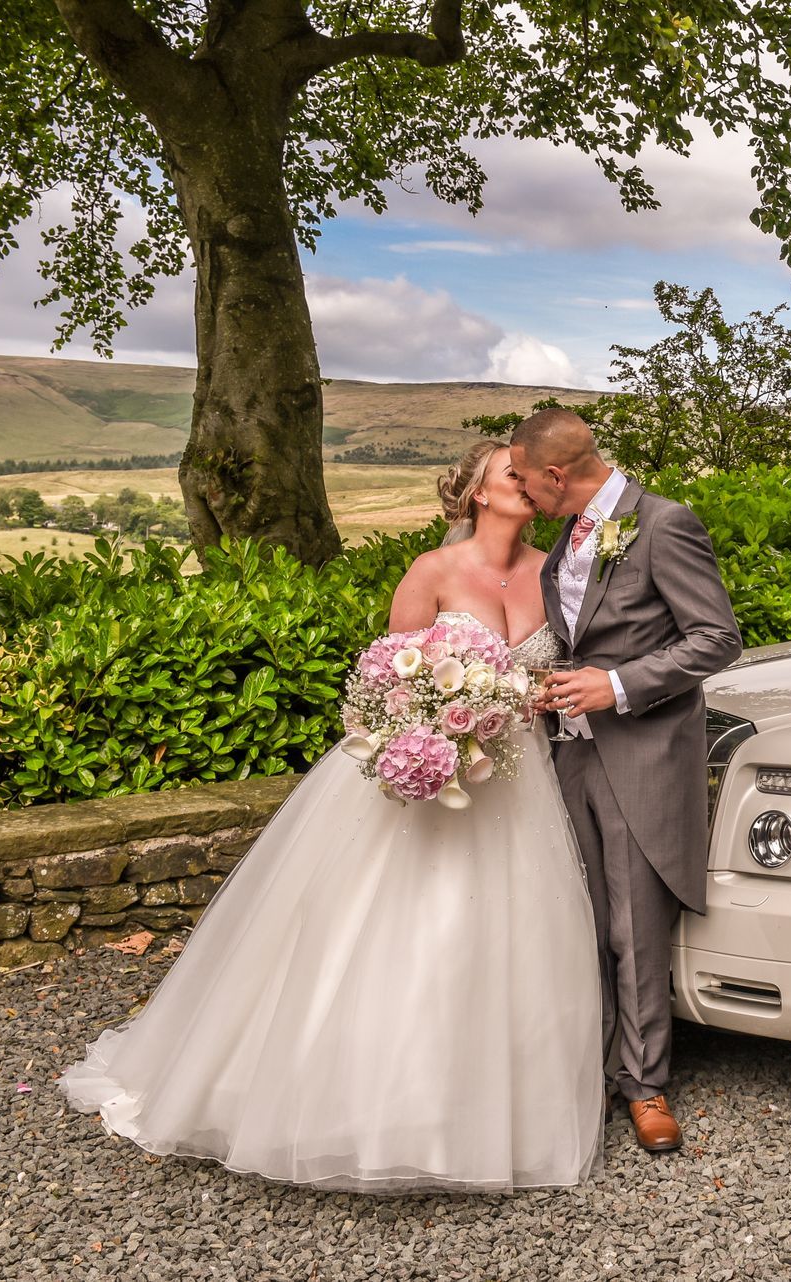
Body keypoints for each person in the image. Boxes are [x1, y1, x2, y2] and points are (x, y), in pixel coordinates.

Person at [60, 442, 605, 1192]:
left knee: (510, 940)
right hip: (429, 782)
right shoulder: (432, 573)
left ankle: (484, 1118)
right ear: (476, 492)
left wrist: (533, 697)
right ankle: (353, 1107)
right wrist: (428, 734)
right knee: (400, 934)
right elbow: (382, 688)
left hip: (518, 780)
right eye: (507, 470)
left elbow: (554, 673)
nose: (523, 478)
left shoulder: (555, 572)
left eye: (529, 471)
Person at [508, 409, 741, 1153]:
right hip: (569, 754)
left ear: (555, 474)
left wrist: (618, 685)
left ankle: (645, 1085)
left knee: (635, 926)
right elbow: (579, 636)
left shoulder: (663, 523)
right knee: (577, 919)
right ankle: (591, 1066)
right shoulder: (563, 543)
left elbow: (716, 638)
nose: (520, 491)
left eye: (523, 477)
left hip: (640, 751)